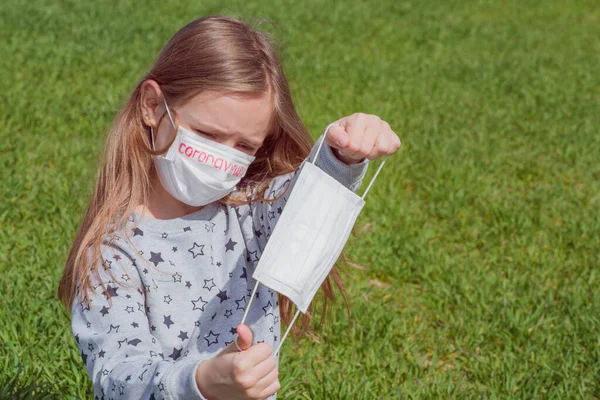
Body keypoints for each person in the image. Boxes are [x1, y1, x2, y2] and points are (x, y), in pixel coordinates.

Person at [58, 15, 400, 400]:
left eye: (244, 146)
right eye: (207, 134)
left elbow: (305, 205)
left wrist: (344, 152)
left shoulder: (248, 210)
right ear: (153, 106)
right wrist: (202, 381)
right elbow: (119, 377)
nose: (222, 159)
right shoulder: (111, 255)